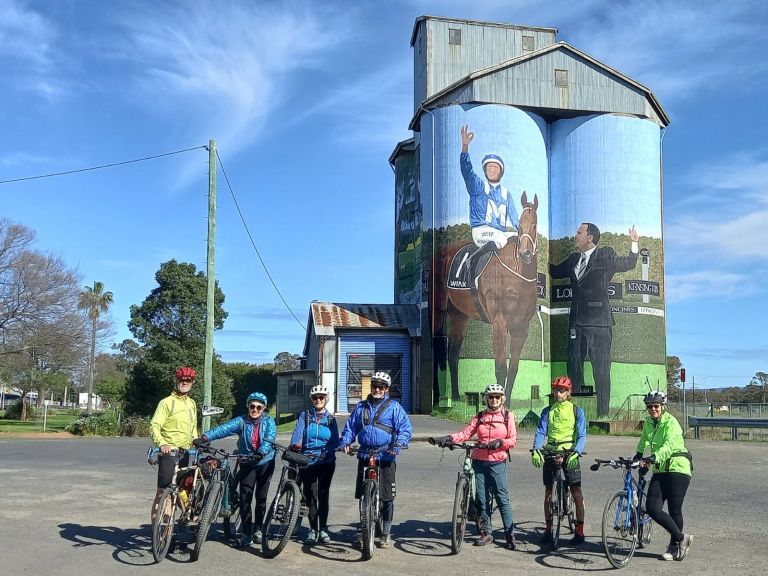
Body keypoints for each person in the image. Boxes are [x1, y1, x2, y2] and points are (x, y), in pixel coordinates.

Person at [549, 223, 639, 417]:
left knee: (601, 370)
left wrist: (634, 243)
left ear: (590, 237)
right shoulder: (574, 259)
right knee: (574, 366)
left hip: (599, 323)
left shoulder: (605, 255)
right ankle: (575, 413)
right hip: (577, 323)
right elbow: (555, 272)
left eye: (579, 233)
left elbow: (628, 263)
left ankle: (602, 414)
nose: (575, 236)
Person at [433, 383, 518, 550]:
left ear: (502, 399)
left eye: (497, 397)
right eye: (491, 397)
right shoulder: (480, 417)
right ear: (486, 398)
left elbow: (512, 440)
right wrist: (449, 438)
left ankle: (510, 534)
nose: (494, 400)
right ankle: (486, 533)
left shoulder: (508, 416)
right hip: (478, 461)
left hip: (497, 462)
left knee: (502, 498)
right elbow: (466, 433)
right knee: (481, 498)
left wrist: (501, 442)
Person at [339, 371, 412, 549]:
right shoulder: (361, 407)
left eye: (381, 387)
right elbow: (351, 427)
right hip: (365, 454)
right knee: (364, 495)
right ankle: (365, 527)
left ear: (386, 389)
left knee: (387, 497)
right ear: (370, 387)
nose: (377, 389)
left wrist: (399, 444)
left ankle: (385, 532)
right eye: (374, 386)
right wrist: (346, 441)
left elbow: (405, 428)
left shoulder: (394, 407)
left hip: (386, 455)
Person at [194, 391, 276, 548]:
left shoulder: (269, 421)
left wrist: (261, 452)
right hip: (247, 462)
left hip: (265, 461)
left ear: (263, 409)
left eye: (259, 407)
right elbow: (224, 428)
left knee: (261, 498)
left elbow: (270, 438)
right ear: (248, 406)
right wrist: (205, 438)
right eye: (252, 406)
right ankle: (246, 533)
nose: (255, 409)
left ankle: (258, 529)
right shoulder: (242, 421)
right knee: (246, 497)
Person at [634, 390, 693, 561]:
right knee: (652, 508)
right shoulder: (649, 423)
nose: (653, 409)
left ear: (662, 406)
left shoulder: (671, 423)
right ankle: (682, 538)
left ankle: (674, 547)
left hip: (678, 468)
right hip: (660, 469)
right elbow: (644, 440)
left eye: (656, 406)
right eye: (649, 406)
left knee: (674, 509)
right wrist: (638, 455)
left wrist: (652, 457)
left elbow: (668, 446)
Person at [459, 124, 520, 283]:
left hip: (499, 232)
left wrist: (521, 232)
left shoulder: (506, 193)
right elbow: (467, 172)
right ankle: (472, 260)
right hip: (481, 230)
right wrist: (465, 148)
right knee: (502, 240)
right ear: (485, 171)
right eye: (489, 167)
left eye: (495, 167)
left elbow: (514, 218)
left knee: (517, 239)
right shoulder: (479, 186)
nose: (492, 170)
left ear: (501, 171)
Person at [531, 376, 587, 546]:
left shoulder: (576, 410)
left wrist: (577, 452)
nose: (557, 393)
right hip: (551, 451)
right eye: (555, 390)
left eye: (561, 390)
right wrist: (536, 449)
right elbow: (541, 432)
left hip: (570, 452)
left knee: (576, 491)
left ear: (568, 392)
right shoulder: (547, 411)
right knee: (548, 493)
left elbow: (582, 434)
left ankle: (579, 530)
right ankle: (548, 530)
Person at [289, 384, 340, 545]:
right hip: (308, 460)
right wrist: (295, 444)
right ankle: (312, 529)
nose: (318, 400)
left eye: (321, 398)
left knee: (323, 495)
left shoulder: (331, 419)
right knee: (311, 495)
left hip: (326, 461)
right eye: (315, 398)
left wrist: (328, 451)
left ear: (326, 400)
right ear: (311, 400)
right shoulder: (305, 415)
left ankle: (323, 529)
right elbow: (298, 432)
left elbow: (334, 441)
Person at [149, 366, 199, 524]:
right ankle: (159, 533)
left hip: (185, 452)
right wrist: (162, 443)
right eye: (182, 380)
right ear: (176, 380)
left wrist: (197, 443)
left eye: (188, 380)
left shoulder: (191, 403)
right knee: (163, 492)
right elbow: (154, 426)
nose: (185, 382)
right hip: (169, 452)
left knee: (181, 491)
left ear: (192, 382)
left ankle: (172, 526)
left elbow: (192, 428)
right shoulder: (166, 403)